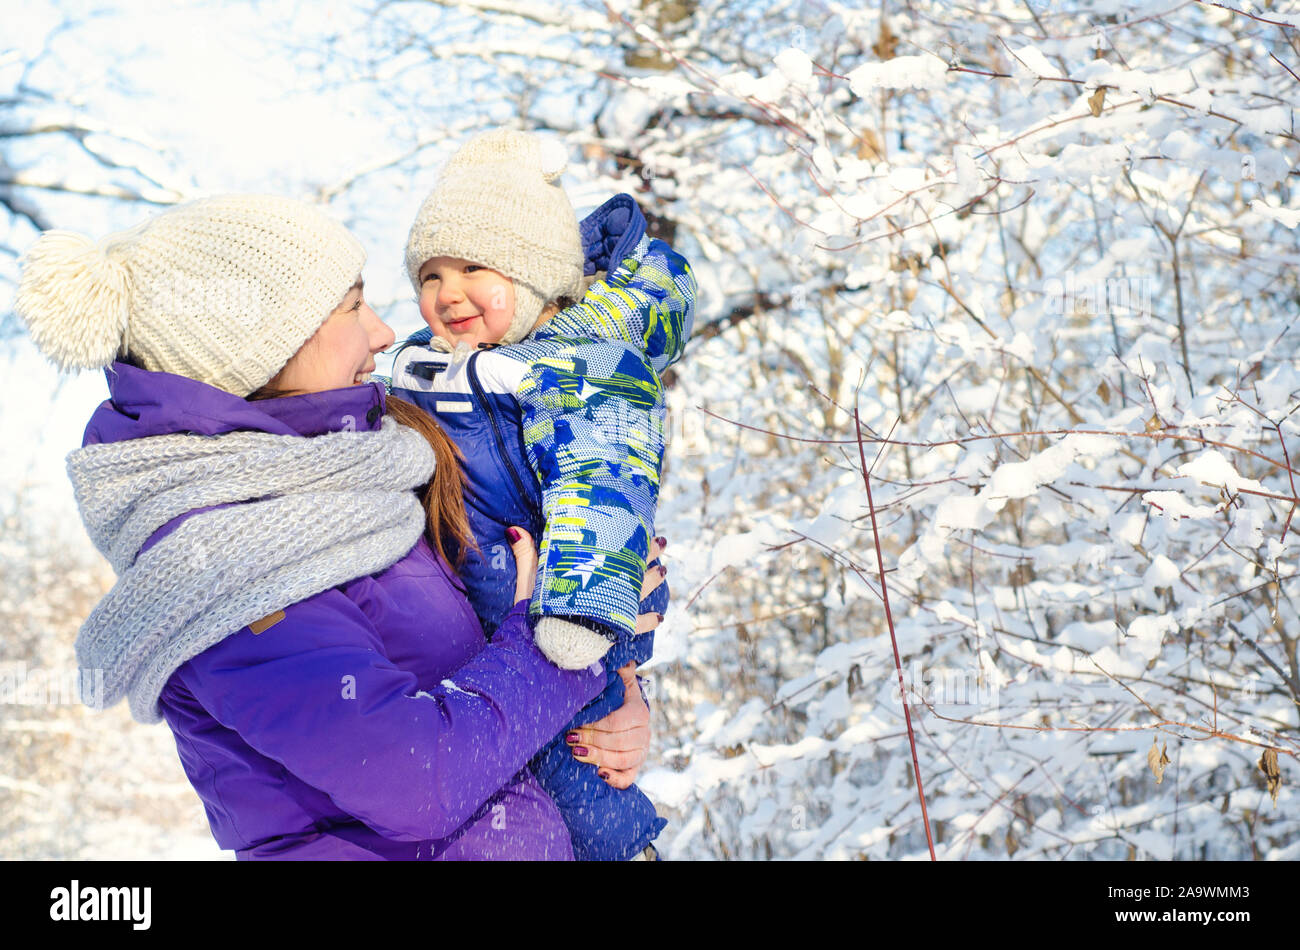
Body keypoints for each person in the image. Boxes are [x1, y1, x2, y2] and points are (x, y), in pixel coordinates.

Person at [14, 193, 661, 860]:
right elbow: (419, 778)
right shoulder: (226, 568)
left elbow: (487, 659)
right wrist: (560, 654)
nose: (383, 332)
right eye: (352, 305)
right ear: (265, 347)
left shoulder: (370, 466)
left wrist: (616, 693)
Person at [392, 129, 696, 859]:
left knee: (584, 789)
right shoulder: (440, 369)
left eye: (473, 267)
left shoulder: (580, 369)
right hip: (494, 641)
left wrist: (585, 612)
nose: (446, 293)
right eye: (429, 275)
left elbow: (604, 481)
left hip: (562, 626)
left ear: (538, 279)